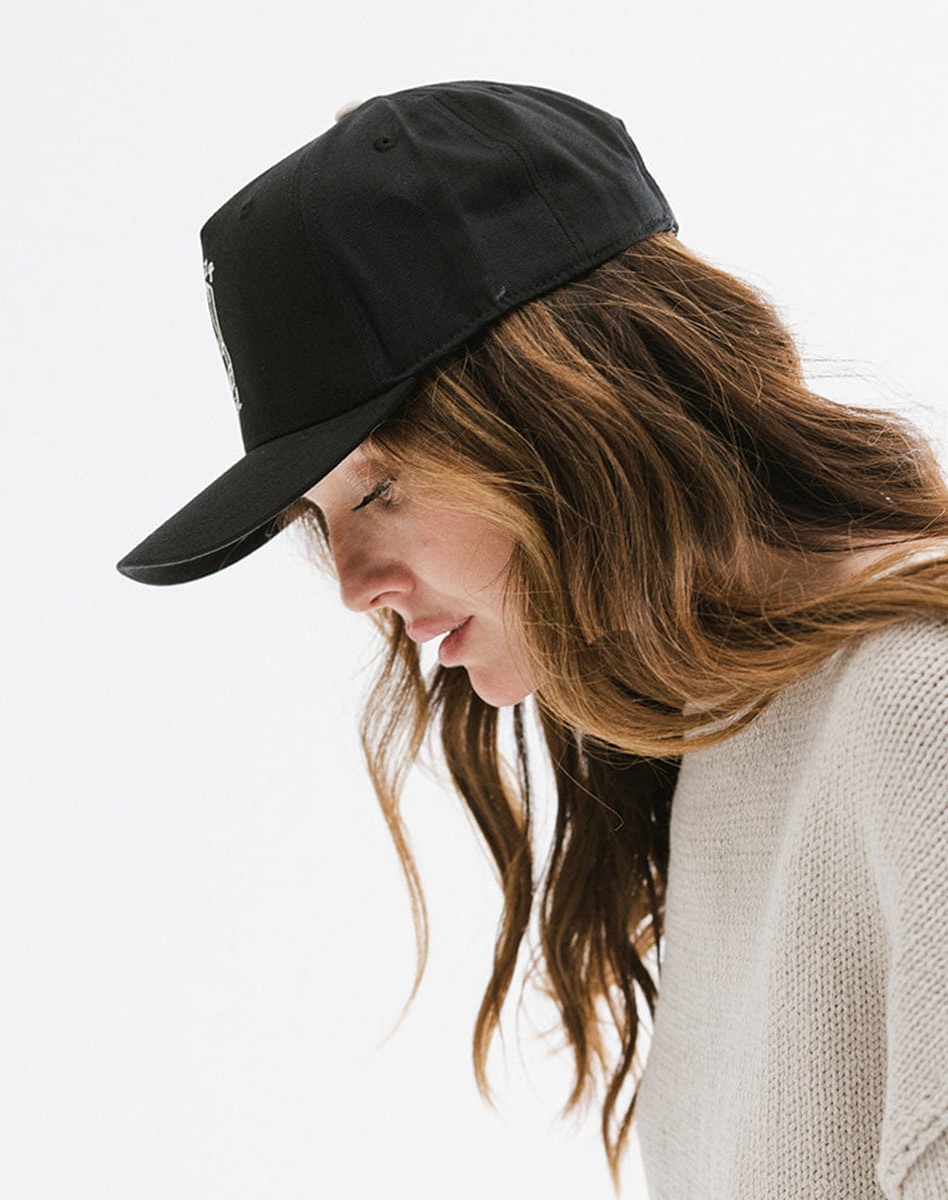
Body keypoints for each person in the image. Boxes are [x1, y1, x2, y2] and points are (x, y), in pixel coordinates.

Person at [116, 81, 948, 1199]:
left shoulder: (916, 701)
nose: (356, 589)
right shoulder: (731, 721)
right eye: (318, 521)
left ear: (577, 410)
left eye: (383, 488)